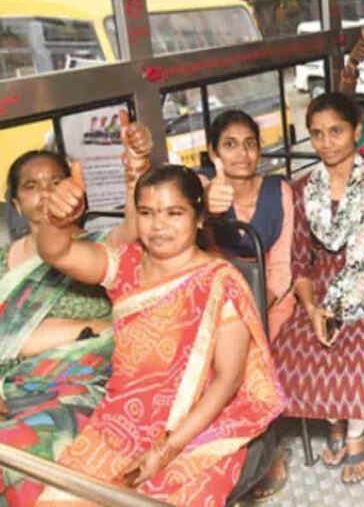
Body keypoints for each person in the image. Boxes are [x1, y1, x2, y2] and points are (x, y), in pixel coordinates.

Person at [36, 165, 283, 507]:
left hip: (196, 427)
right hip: (120, 421)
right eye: (147, 213)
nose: (159, 225)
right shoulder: (123, 265)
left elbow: (228, 379)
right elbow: (57, 252)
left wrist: (166, 449)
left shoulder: (219, 280)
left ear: (198, 218)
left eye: (174, 213)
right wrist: (56, 219)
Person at [0, 118, 150, 505]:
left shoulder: (96, 245)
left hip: (82, 383)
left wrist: (135, 170)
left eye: (55, 181)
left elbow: (133, 231)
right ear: (15, 203)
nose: (46, 193)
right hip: (13, 386)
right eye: (31, 187)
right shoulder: (3, 262)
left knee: (19, 449)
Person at [268, 92, 364, 487]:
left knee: (356, 359)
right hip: (320, 287)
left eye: (337, 131)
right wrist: (310, 309)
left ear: (357, 131)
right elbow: (301, 262)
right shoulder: (305, 187)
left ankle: (354, 435)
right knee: (293, 353)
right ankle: (333, 422)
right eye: (317, 134)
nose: (326, 142)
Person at [201, 110, 295, 341]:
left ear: (259, 150)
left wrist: (257, 306)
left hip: (269, 295)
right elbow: (184, 201)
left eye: (250, 144)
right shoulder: (204, 185)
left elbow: (282, 265)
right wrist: (204, 203)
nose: (242, 153)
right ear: (214, 153)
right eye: (230, 144)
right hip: (217, 293)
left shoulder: (279, 191)